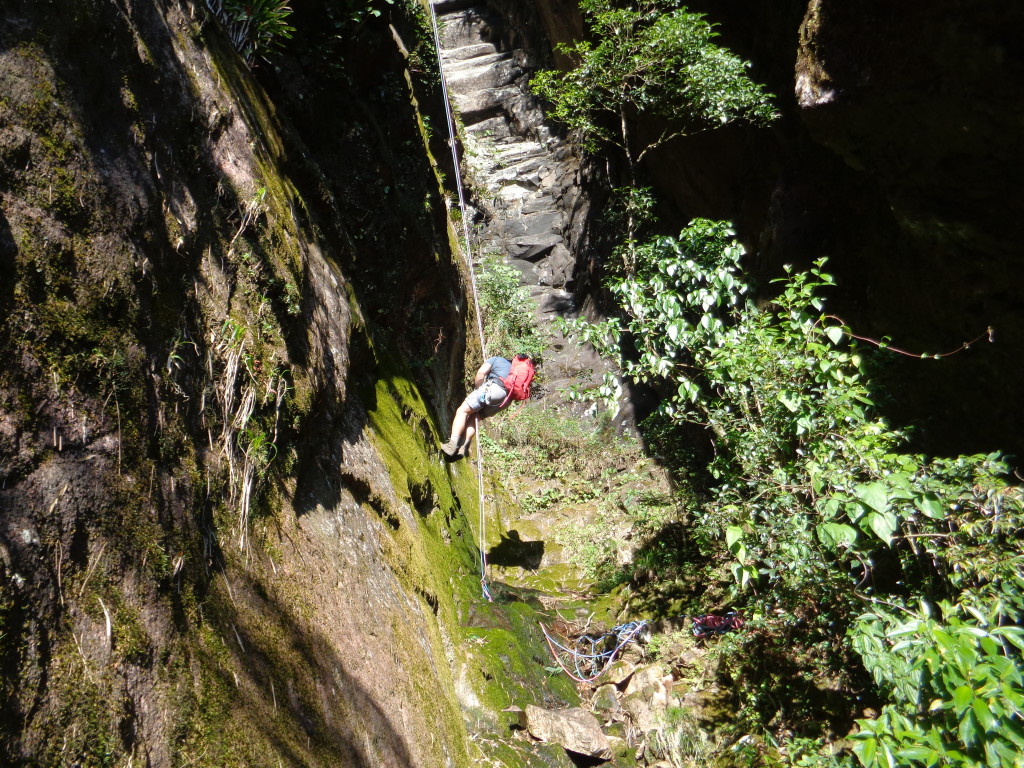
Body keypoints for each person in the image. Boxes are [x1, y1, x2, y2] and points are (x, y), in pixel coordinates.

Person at [441, 355, 518, 459]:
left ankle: (452, 445)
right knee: (475, 417)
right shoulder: (516, 373)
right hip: (506, 400)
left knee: (462, 411)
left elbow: (481, 373)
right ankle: (463, 447)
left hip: (493, 390)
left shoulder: (497, 359)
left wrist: (478, 389)